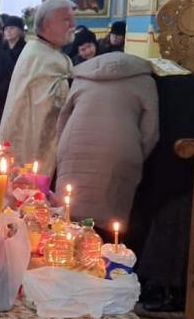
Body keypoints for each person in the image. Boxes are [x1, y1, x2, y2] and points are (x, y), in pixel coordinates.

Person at [129, 61, 194, 313]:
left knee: (169, 215)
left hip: (169, 168)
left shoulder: (156, 85)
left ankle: (161, 284)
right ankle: (163, 284)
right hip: (190, 169)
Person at [55, 52, 159, 226]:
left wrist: (62, 147)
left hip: (74, 144)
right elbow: (150, 129)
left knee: (68, 211)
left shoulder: (82, 77)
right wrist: (139, 154)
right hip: (120, 148)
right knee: (110, 217)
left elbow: (63, 118)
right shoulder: (144, 81)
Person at [0, 0, 75, 174]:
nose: (73, 25)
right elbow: (44, 101)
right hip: (31, 141)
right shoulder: (37, 55)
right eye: (66, 20)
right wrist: (72, 84)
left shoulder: (49, 52)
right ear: (48, 24)